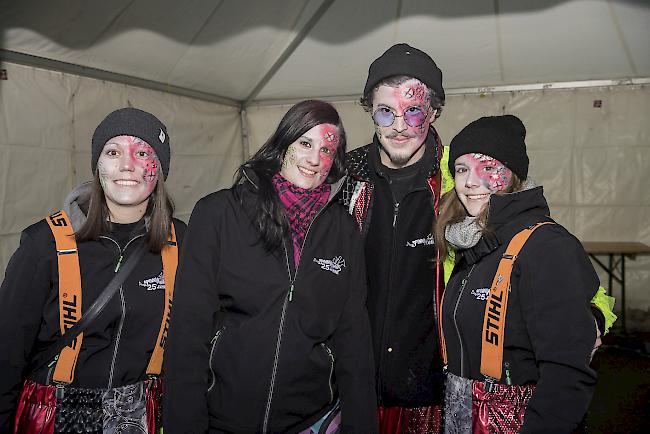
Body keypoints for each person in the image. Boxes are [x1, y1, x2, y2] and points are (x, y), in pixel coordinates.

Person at [163, 100, 377, 433]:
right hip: (223, 421)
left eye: (327, 150)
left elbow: (354, 341)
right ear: (283, 144)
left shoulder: (344, 230)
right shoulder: (218, 214)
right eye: (305, 143)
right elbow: (187, 333)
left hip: (312, 423)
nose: (314, 159)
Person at [0, 107, 186, 433]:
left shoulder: (181, 241)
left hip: (139, 417)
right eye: (112, 152)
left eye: (142, 152)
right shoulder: (44, 243)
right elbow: (6, 352)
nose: (127, 165)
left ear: (160, 168)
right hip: (54, 416)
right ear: (97, 165)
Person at [435, 115, 600, 433]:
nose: (470, 182)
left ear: (514, 176)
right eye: (462, 169)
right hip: (464, 417)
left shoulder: (545, 244)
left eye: (487, 168)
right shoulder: (471, 241)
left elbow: (567, 374)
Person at [341, 43, 452, 432]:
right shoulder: (343, 177)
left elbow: (527, 238)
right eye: (386, 111)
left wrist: (588, 314)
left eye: (414, 111)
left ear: (434, 111)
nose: (399, 126)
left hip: (431, 395)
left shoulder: (461, 180)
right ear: (371, 112)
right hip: (350, 388)